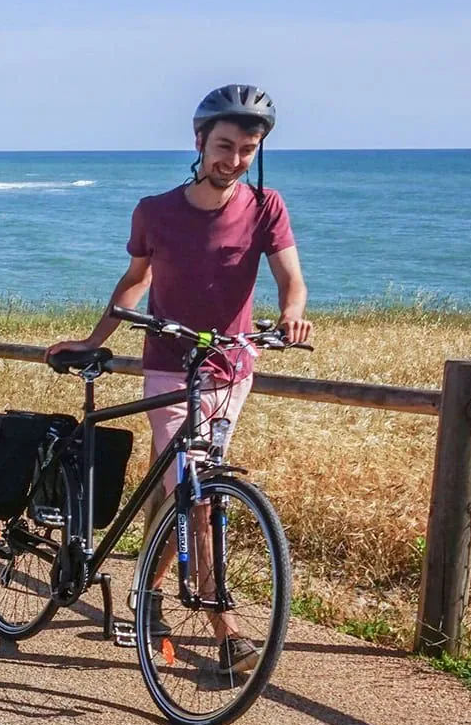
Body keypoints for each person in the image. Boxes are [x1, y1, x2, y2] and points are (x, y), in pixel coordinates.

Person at [47, 84, 312, 673]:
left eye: (248, 149)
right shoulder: (156, 211)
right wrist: (96, 340)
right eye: (225, 146)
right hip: (170, 367)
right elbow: (136, 279)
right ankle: (227, 627)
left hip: (232, 368)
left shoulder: (267, 207)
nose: (235, 160)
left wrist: (292, 312)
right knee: (191, 489)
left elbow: (291, 278)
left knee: (188, 488)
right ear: (199, 141)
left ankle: (150, 590)